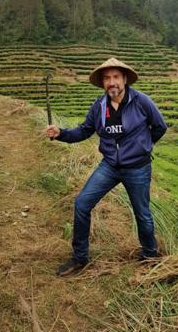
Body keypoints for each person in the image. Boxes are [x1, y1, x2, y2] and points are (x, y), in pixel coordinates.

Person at [45, 58, 168, 277]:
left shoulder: (141, 101)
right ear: (103, 83)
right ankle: (80, 258)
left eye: (115, 77)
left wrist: (143, 147)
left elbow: (159, 127)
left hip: (137, 167)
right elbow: (83, 131)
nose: (111, 82)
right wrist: (61, 133)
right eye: (107, 78)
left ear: (124, 79)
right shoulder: (99, 107)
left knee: (142, 214)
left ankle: (150, 255)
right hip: (110, 165)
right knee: (82, 203)